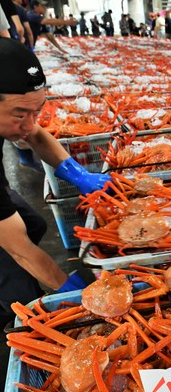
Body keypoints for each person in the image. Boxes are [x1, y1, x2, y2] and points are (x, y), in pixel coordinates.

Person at [0, 39, 111, 325]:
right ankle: (13, 314)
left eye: (36, 111)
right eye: (19, 114)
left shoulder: (20, 113)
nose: (29, 124)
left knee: (34, 225)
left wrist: (77, 174)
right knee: (16, 281)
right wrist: (70, 289)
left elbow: (36, 134)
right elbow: (20, 249)